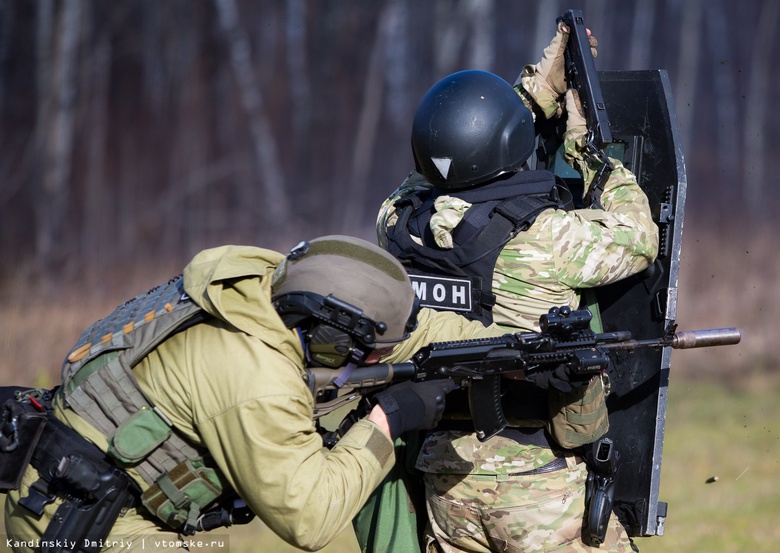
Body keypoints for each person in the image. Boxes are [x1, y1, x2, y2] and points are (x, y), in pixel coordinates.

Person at [2, 235, 504, 552]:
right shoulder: (257, 377)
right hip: (81, 522)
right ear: (329, 336)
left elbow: (407, 334)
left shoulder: (261, 290)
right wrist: (388, 420)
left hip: (74, 486)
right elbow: (310, 518)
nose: (375, 362)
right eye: (367, 353)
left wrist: (508, 345)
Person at [373, 22, 659, 553]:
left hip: (445, 478)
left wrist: (529, 96)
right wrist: (588, 152)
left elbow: (436, 169)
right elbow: (640, 238)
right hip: (539, 483)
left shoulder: (397, 223)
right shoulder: (542, 239)